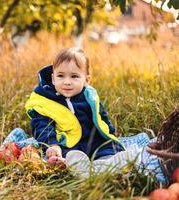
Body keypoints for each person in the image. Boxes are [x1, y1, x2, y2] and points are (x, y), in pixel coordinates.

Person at [21, 47, 166, 184]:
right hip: (68, 145)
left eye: (74, 76)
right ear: (53, 78)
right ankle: (74, 167)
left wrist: (110, 132)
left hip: (94, 140)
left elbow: (101, 116)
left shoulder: (89, 96)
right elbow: (41, 125)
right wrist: (52, 144)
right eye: (61, 76)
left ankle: (105, 164)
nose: (67, 82)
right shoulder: (46, 101)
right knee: (64, 156)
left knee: (108, 147)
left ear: (86, 80)